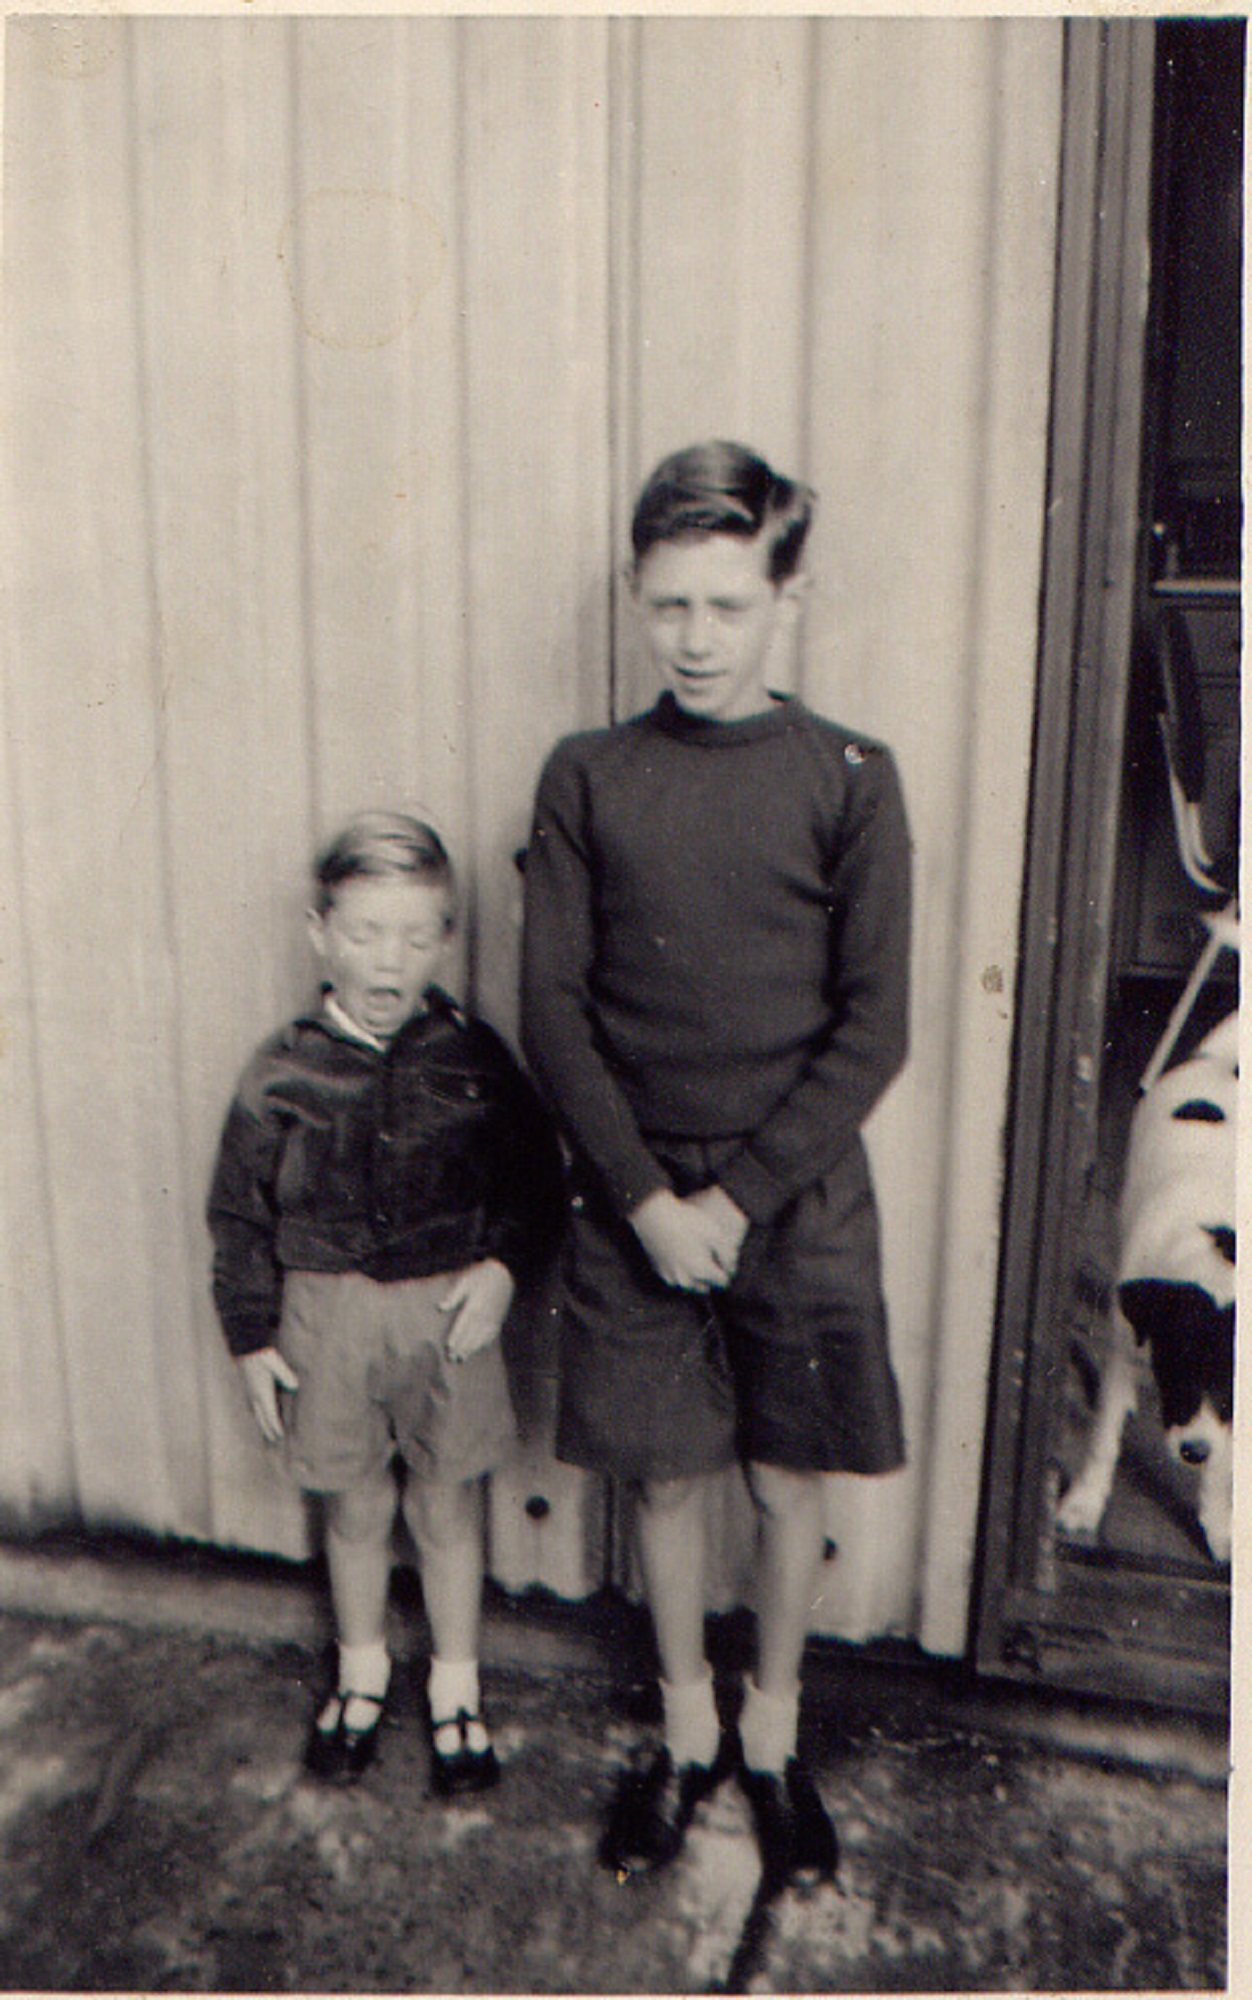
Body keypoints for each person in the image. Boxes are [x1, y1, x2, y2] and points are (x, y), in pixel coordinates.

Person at [521, 441, 911, 1892]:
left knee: (784, 1470)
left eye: (728, 608)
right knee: (671, 1482)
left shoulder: (852, 780)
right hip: (636, 1198)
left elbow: (877, 1027)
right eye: (669, 605)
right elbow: (553, 1008)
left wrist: (736, 1201)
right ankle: (684, 1734)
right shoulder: (590, 776)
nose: (695, 639)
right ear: (636, 596)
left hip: (792, 1197)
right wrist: (644, 1200)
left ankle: (772, 1736)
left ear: (787, 601)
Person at [208, 811, 564, 1794]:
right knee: (358, 1507)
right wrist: (250, 1335)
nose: (388, 958)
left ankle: (457, 1685)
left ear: (445, 937)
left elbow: (538, 1182)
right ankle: (360, 1673)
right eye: (364, 932)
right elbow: (236, 1217)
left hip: (448, 1317)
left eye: (414, 935)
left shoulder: (474, 1058)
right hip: (326, 1322)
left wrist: (499, 1268)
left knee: (447, 1506)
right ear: (320, 932)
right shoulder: (279, 1069)